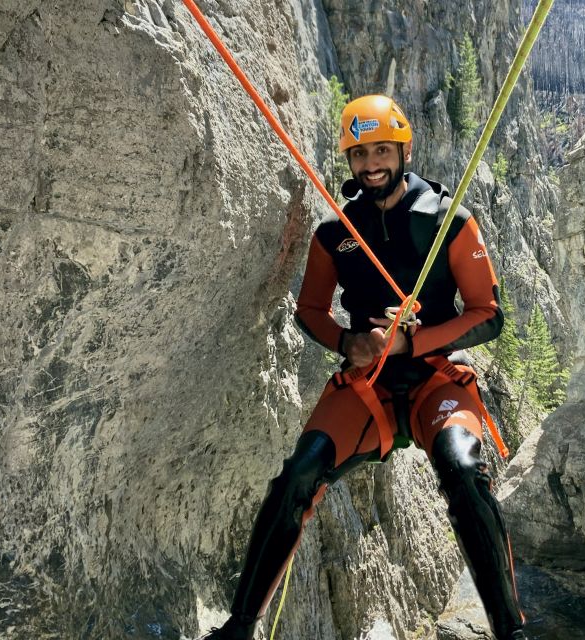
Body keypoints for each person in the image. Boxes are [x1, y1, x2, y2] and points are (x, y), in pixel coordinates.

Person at [203, 95, 525, 640]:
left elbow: (488, 316)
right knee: (299, 473)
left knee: (462, 470)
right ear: (349, 161)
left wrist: (412, 343)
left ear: (403, 150)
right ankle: (238, 628)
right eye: (359, 154)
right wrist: (348, 340)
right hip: (368, 384)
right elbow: (310, 309)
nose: (371, 163)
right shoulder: (335, 233)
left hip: (432, 379)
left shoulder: (448, 221)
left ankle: (511, 631)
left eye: (381, 150)